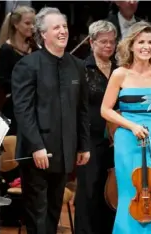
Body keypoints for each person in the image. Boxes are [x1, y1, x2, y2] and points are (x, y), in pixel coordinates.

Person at [11, 7, 90, 234]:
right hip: (37, 153)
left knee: (53, 213)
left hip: (64, 151)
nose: (63, 31)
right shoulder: (27, 65)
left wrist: (83, 145)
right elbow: (23, 111)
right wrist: (36, 146)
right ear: (43, 34)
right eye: (56, 27)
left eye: (64, 26)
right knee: (38, 215)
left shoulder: (77, 65)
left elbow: (82, 110)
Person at [100, 21, 151, 234]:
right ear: (131, 45)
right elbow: (106, 110)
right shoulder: (120, 74)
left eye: (150, 42)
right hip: (127, 139)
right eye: (141, 42)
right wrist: (131, 125)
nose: (146, 46)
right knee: (128, 194)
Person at [74, 20, 117, 234]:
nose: (108, 46)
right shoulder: (82, 69)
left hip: (117, 138)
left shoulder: (121, 68)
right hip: (89, 137)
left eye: (112, 42)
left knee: (111, 192)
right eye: (103, 42)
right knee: (89, 191)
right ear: (91, 42)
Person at [0, 5, 36, 135]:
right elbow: (3, 82)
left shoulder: (35, 47)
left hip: (35, 104)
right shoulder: (6, 50)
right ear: (16, 24)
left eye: (33, 23)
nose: (32, 27)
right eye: (27, 23)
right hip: (15, 106)